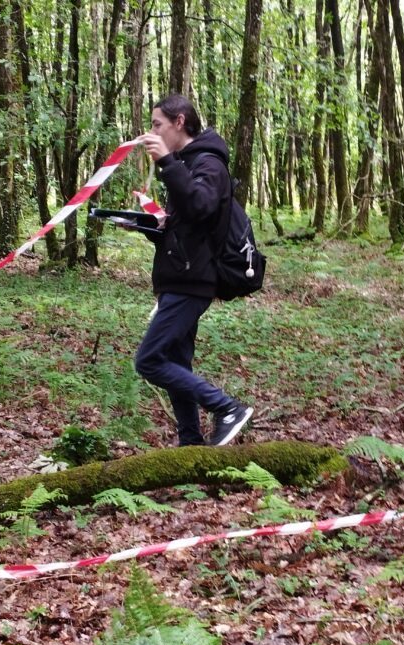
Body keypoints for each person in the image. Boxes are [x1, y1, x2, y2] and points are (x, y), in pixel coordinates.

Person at [132, 94, 253, 447]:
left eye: (157, 125)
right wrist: (143, 224)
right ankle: (190, 444)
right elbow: (185, 228)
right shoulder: (186, 164)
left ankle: (227, 408)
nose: (152, 131)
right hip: (178, 276)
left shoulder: (208, 164)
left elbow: (200, 205)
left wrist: (168, 162)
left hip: (193, 281)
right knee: (174, 361)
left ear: (179, 122)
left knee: (150, 360)